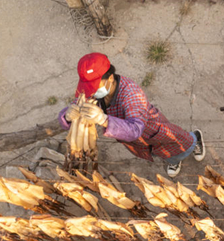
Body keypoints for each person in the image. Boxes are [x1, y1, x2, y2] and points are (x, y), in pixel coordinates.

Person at [58, 53, 204, 176]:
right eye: (88, 87)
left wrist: (103, 119)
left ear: (110, 78)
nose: (91, 92)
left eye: (95, 87)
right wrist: (67, 117)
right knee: (154, 153)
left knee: (178, 145)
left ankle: (194, 140)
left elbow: (135, 129)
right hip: (130, 137)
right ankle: (171, 159)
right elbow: (74, 106)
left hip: (150, 129)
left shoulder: (132, 94)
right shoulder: (92, 93)